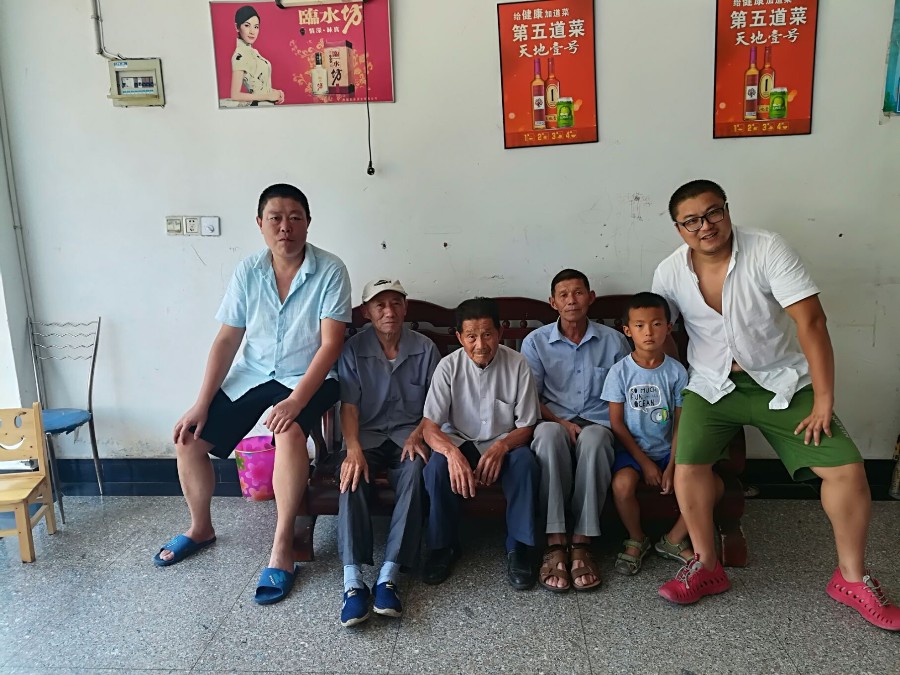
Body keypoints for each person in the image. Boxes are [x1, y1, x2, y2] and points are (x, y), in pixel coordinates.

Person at [651, 179, 900, 631]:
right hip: (710, 385)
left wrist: (823, 399)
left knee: (847, 470)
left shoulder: (767, 248)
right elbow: (661, 333)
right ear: (679, 228)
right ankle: (706, 565)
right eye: (692, 221)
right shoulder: (669, 272)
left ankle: (851, 579)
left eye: (713, 212)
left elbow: (812, 322)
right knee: (688, 466)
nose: (705, 226)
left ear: (727, 210)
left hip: (779, 381)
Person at [154, 183, 351, 608]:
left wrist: (296, 401)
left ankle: (282, 547)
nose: (285, 227)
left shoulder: (331, 269)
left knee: (289, 432)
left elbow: (331, 344)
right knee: (188, 438)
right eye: (275, 218)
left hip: (310, 375)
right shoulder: (248, 270)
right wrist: (201, 402)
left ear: (308, 223)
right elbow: (227, 340)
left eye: (295, 218)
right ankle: (200, 528)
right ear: (260, 224)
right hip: (255, 373)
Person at [336, 278, 439, 627]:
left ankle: (389, 576)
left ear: (405, 307)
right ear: (367, 312)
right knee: (350, 476)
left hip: (410, 435)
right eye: (379, 305)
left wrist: (418, 434)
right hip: (366, 435)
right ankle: (352, 582)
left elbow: (436, 405)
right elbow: (349, 406)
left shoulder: (424, 348)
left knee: (416, 470)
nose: (389, 311)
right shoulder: (353, 349)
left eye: (396, 303)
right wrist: (352, 449)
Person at [521, 270, 630, 592]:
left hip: (600, 422)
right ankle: (555, 540)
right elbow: (531, 396)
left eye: (579, 293)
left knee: (594, 439)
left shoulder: (613, 341)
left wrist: (599, 424)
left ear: (591, 297)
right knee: (548, 436)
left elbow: (624, 391)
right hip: (553, 420)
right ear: (552, 302)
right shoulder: (536, 342)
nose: (572, 300)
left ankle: (582, 541)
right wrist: (560, 422)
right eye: (564, 295)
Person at [421, 297, 540, 590]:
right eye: (471, 336)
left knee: (525, 464)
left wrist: (502, 447)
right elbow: (430, 427)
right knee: (436, 468)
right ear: (459, 337)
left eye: (487, 334)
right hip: (460, 441)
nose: (480, 344)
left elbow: (527, 425)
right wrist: (451, 453)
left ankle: (518, 547)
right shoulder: (448, 367)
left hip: (505, 442)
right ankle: (444, 546)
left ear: (500, 332)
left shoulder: (518, 364)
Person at [602, 292, 720, 575]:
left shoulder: (677, 372)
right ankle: (636, 537)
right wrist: (644, 463)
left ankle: (673, 539)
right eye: (639, 325)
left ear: (668, 328)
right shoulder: (619, 372)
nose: (648, 332)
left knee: (714, 485)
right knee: (622, 486)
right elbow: (617, 423)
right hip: (632, 452)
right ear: (627, 330)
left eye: (656, 324)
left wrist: (672, 465)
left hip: (669, 450)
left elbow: (681, 422)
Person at [227, 6, 284, 106]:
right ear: (237, 27)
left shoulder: (254, 53)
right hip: (257, 107)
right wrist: (268, 96)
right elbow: (235, 95)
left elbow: (259, 86)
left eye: (256, 27)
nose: (252, 31)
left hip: (267, 106)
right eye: (247, 25)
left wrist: (276, 92)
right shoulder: (239, 56)